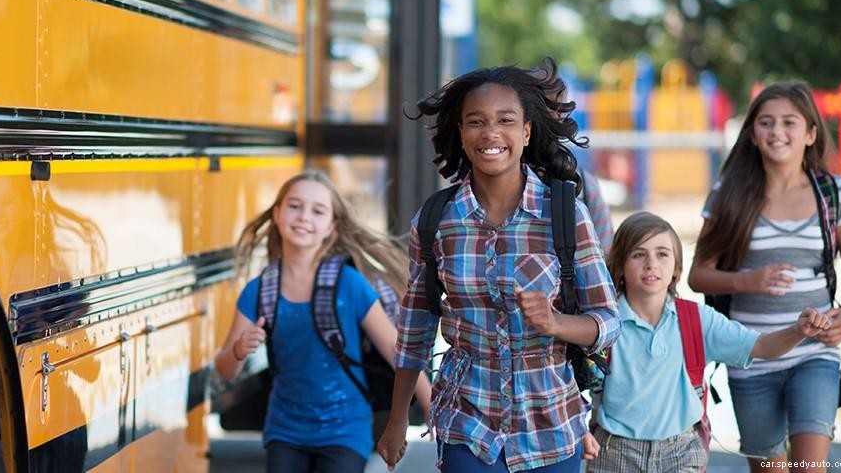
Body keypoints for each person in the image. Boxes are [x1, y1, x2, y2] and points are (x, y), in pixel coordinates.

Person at [378, 61, 621, 473]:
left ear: (526, 132)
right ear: (460, 131)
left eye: (505, 120)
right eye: (476, 121)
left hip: (551, 427)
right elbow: (415, 327)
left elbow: (609, 321)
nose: (491, 133)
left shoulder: (564, 213)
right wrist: (397, 418)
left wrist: (557, 323)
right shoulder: (437, 218)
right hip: (466, 423)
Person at [688, 81, 841, 473]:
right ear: (752, 135)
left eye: (789, 122)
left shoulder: (834, 193)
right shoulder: (729, 195)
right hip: (751, 354)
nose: (777, 132)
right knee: (768, 468)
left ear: (811, 133)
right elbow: (697, 275)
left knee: (808, 466)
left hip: (815, 350)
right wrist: (746, 280)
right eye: (766, 123)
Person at [213, 171, 433, 473]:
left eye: (317, 211)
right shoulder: (259, 290)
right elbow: (225, 369)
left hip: (345, 431)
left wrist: (432, 406)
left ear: (331, 227)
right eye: (294, 206)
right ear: (277, 214)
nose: (304, 216)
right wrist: (238, 350)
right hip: (285, 431)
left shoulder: (349, 284)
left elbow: (398, 352)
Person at [587, 212, 833, 473]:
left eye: (662, 254)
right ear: (620, 266)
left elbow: (761, 346)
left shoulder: (697, 320)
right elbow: (573, 382)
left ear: (676, 269)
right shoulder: (605, 323)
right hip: (614, 451)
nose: (651, 264)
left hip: (680, 452)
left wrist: (798, 330)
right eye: (639, 254)